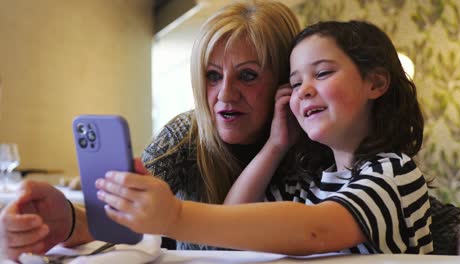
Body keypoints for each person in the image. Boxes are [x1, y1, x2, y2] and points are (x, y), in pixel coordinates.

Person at [92, 20, 433, 255]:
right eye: (296, 83)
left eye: (324, 73)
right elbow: (232, 223)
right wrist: (276, 144)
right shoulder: (311, 184)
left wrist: (175, 216)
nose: (305, 91)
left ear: (375, 84)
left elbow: (315, 230)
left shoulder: (394, 173)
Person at [0, 0, 303, 260]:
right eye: (212, 75)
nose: (225, 94)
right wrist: (64, 221)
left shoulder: (314, 140)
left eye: (247, 75)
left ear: (285, 80)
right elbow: (121, 214)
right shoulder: (187, 134)